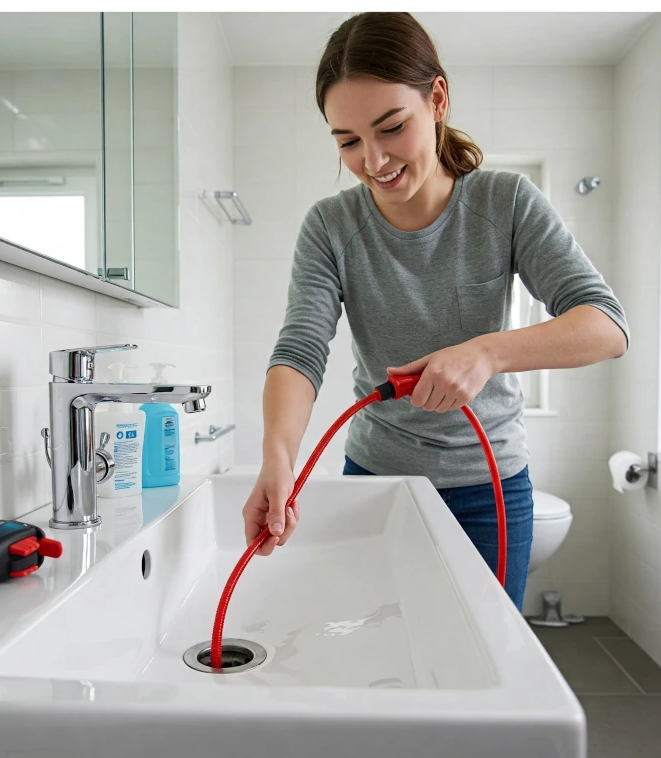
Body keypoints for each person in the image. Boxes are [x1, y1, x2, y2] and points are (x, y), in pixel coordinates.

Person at [241, 12, 629, 610]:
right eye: (347, 141)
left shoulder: (507, 203)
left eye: (391, 128)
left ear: (437, 99)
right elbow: (300, 350)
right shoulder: (331, 226)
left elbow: (606, 326)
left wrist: (487, 353)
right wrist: (278, 455)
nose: (373, 160)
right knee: (381, 664)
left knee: (484, 684)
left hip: (491, 490)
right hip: (377, 482)